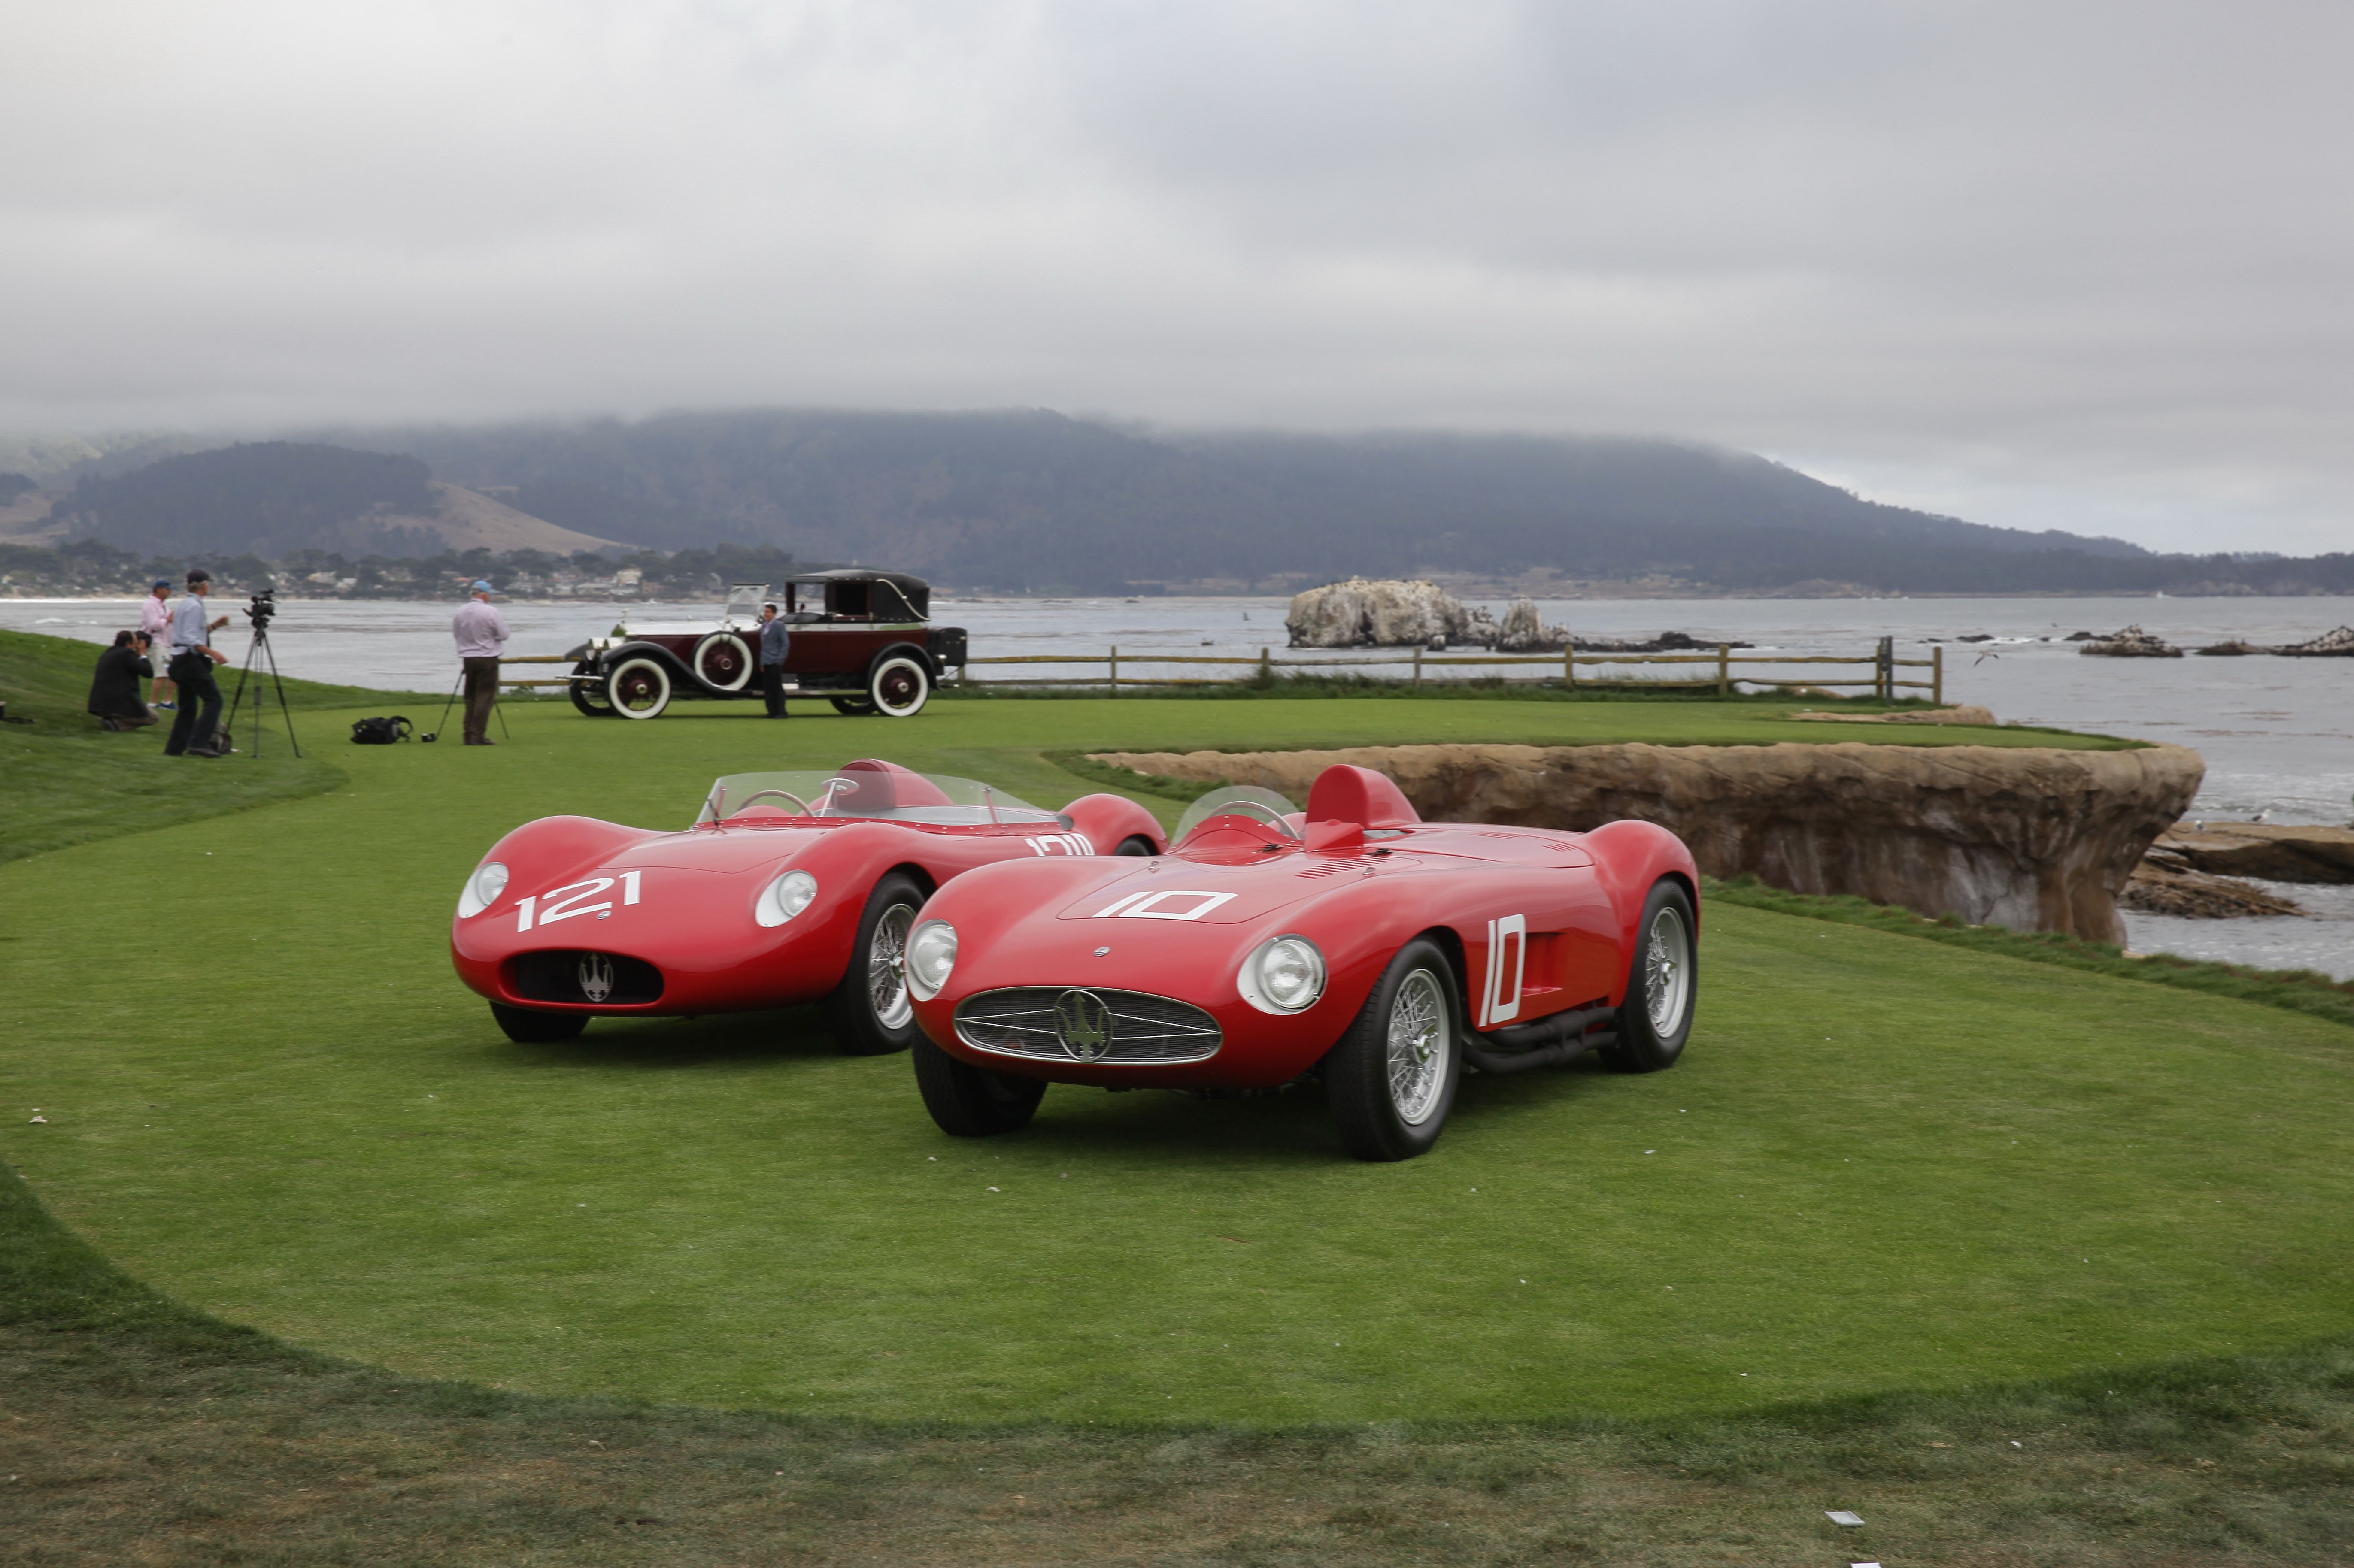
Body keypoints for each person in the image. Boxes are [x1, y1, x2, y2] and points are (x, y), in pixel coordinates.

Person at [162, 568, 231, 757]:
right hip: (189, 660)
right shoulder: (195, 607)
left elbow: (191, 634)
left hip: (178, 660)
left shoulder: (184, 605)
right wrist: (214, 653)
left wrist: (216, 625)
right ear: (205, 586)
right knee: (214, 700)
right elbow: (192, 640)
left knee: (188, 708)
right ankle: (199, 743)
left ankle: (174, 748)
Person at [452, 580, 510, 745]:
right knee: (485, 697)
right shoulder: (491, 612)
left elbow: (457, 634)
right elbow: (504, 635)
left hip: (468, 659)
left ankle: (468, 734)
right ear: (485, 595)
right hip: (487, 658)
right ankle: (477, 736)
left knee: (470, 696)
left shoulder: (460, 612)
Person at [88, 631, 159, 730]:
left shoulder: (108, 653)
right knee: (153, 717)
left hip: (99, 703)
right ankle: (117, 723)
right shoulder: (126, 654)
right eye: (135, 643)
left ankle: (113, 719)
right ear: (128, 644)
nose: (136, 646)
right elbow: (148, 672)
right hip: (119, 702)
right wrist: (143, 654)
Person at [137, 579, 177, 709]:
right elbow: (154, 625)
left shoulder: (164, 605)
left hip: (167, 643)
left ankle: (167, 701)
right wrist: (168, 619)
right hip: (156, 642)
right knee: (161, 674)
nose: (170, 592)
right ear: (159, 590)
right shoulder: (150, 605)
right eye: (168, 589)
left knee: (174, 673)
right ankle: (152, 703)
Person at [757, 601, 791, 718]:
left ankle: (782, 712)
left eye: (768, 612)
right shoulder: (764, 627)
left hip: (775, 662)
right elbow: (764, 646)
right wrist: (762, 663)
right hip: (766, 661)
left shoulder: (779, 626)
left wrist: (780, 660)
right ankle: (772, 711)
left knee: (777, 688)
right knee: (768, 688)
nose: (766, 614)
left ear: (774, 614)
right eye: (765, 612)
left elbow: (785, 644)